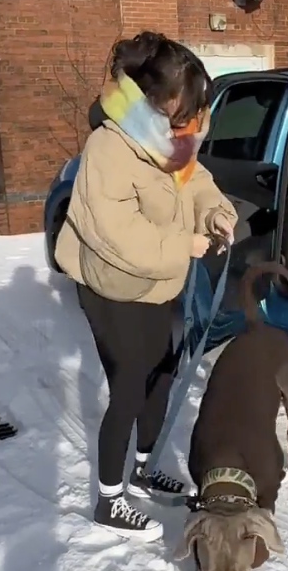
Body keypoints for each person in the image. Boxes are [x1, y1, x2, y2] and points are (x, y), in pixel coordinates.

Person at [56, 32, 237, 538]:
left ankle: (143, 466)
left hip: (157, 283)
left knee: (162, 372)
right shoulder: (109, 148)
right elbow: (117, 234)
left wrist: (215, 214)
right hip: (110, 286)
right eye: (187, 105)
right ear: (153, 98)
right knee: (130, 387)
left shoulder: (169, 137)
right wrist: (184, 244)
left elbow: (195, 182)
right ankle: (109, 500)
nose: (192, 120)